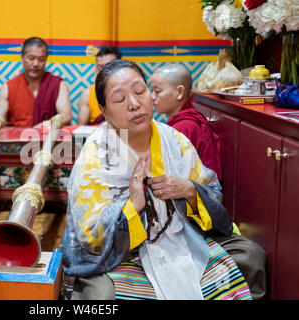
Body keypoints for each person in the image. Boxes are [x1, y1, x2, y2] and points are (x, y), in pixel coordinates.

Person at [59, 59, 252, 300]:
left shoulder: (174, 140)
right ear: (105, 111)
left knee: (251, 257)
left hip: (182, 238)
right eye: (120, 99)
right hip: (125, 254)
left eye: (140, 91)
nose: (134, 104)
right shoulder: (96, 156)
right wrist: (132, 207)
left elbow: (212, 192)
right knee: (102, 296)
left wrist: (190, 191)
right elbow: (90, 235)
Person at [150, 63, 267, 300]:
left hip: (198, 211)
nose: (152, 98)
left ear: (180, 92)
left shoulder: (182, 129)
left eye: (157, 90)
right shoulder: (184, 123)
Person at [0, 37, 71, 128]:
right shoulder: (9, 87)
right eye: (31, 58)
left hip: (47, 138)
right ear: (22, 58)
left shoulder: (57, 84)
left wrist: (40, 127)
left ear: (46, 60)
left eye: (41, 59)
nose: (35, 64)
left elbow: (66, 117)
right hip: (16, 140)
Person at [77, 46, 122, 126]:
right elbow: (80, 132)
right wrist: (101, 128)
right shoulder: (87, 95)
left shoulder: (128, 92)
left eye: (108, 66)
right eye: (100, 67)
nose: (103, 72)